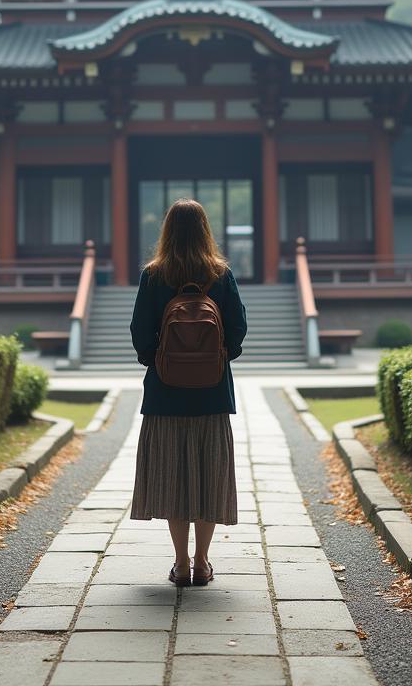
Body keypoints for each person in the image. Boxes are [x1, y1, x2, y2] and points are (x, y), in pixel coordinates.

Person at [129, 197, 247, 587]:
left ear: (167, 230)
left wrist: (158, 361)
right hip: (212, 393)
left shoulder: (154, 275)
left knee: (173, 477)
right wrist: (219, 356)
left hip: (165, 394)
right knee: (209, 476)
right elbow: (238, 328)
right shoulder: (220, 273)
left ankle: (179, 563)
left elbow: (140, 331)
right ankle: (202, 562)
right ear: (205, 230)